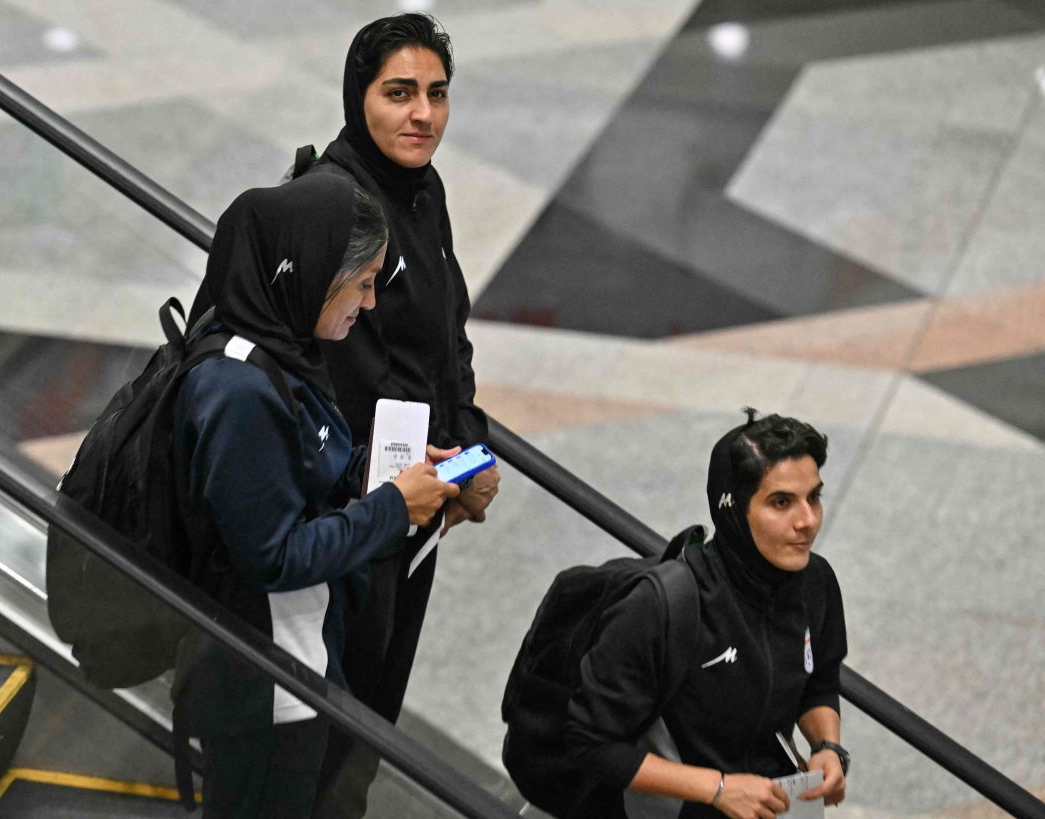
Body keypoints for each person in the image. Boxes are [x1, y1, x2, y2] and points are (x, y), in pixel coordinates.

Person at [170, 173, 460, 819]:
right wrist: (390, 507)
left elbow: (304, 463)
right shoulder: (239, 387)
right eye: (361, 282)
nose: (370, 303)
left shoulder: (283, 340)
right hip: (266, 682)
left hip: (298, 658)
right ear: (311, 269)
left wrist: (393, 474)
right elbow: (274, 555)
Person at [304, 14, 500, 818]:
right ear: (360, 98)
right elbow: (359, 382)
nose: (422, 114)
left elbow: (448, 338)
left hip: (418, 504)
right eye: (399, 93)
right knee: (333, 704)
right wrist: (446, 473)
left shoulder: (424, 191)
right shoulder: (335, 203)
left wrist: (474, 457)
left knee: (376, 705)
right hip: (356, 507)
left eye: (437, 94)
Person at [564, 410, 850, 819]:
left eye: (814, 497)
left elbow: (819, 682)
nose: (807, 521)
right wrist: (719, 789)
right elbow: (591, 741)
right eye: (781, 502)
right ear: (732, 509)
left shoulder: (815, 581)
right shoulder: (662, 604)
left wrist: (826, 746)